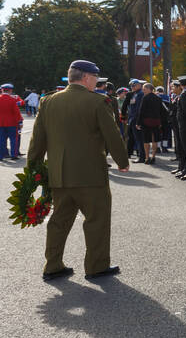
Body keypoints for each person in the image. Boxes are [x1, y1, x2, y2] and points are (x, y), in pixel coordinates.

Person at [29, 60, 129, 281]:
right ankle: (96, 266)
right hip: (90, 175)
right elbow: (112, 135)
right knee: (96, 220)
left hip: (59, 175)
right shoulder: (98, 101)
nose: (96, 81)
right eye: (95, 77)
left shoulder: (48, 102)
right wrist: (122, 161)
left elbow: (37, 140)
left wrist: (32, 168)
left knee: (59, 221)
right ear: (85, 77)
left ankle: (52, 265)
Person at [136, 82, 165, 165]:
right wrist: (161, 122)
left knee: (146, 140)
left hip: (146, 121)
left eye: (144, 89)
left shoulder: (145, 98)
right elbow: (162, 111)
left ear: (149, 89)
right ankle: (153, 156)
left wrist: (138, 123)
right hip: (156, 121)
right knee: (154, 139)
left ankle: (147, 157)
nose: (143, 90)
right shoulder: (158, 98)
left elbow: (141, 111)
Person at [0, 83, 22, 159]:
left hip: (0, 123)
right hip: (12, 123)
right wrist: (19, 122)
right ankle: (13, 155)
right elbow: (17, 112)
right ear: (10, 90)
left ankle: (1, 155)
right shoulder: (12, 100)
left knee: (1, 140)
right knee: (13, 139)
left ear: (2, 90)